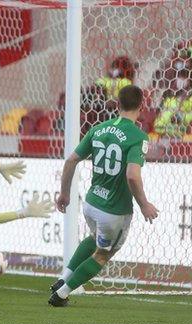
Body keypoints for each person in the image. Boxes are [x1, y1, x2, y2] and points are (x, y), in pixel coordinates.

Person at [48, 85, 159, 307]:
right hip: (114, 211)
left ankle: (63, 278)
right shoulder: (138, 136)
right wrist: (144, 204)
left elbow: (71, 160)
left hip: (91, 203)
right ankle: (62, 294)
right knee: (102, 254)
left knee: (93, 238)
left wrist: (64, 194)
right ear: (141, 107)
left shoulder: (98, 129)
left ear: (117, 105)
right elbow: (133, 176)